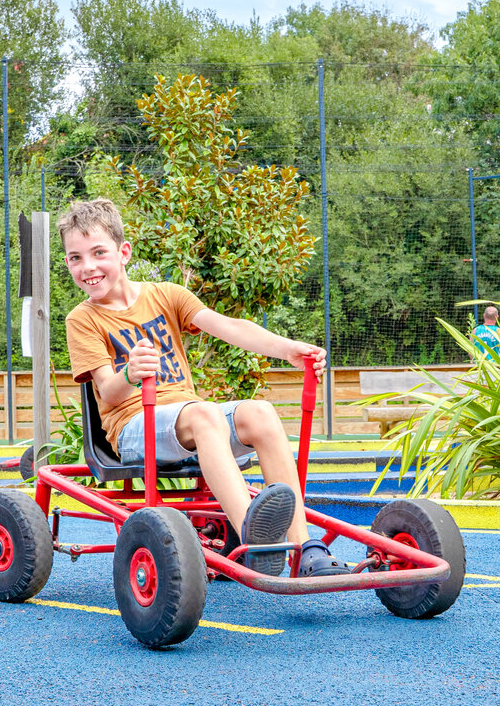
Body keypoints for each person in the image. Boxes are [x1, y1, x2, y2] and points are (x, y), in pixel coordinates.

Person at [59, 198, 348, 578]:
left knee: (259, 412)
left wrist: (288, 349)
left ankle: (305, 548)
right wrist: (129, 374)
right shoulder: (83, 319)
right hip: (132, 429)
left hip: (192, 419)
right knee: (204, 413)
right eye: (75, 258)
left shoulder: (166, 295)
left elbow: (231, 327)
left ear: (123, 252)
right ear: (67, 264)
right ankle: (255, 541)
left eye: (98, 253)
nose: (88, 267)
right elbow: (107, 394)